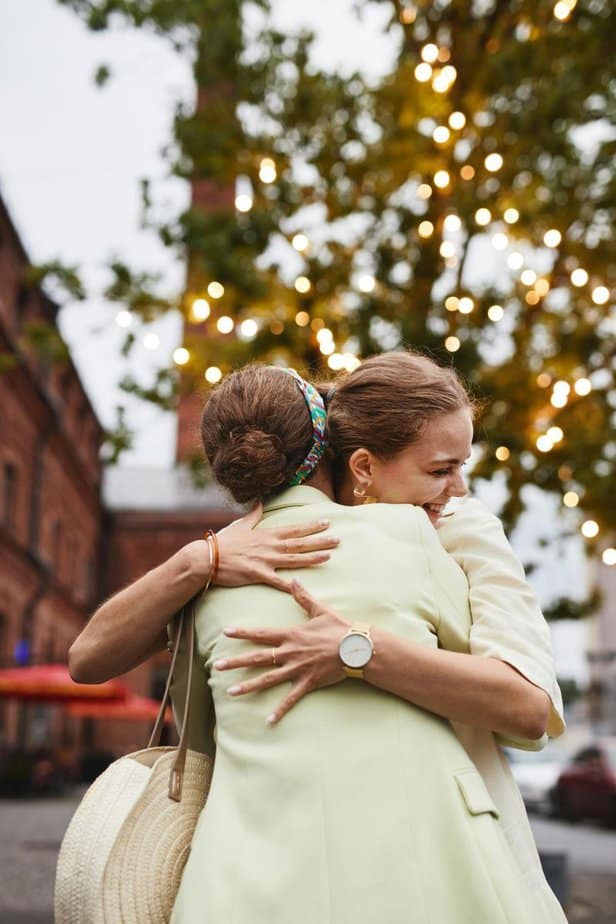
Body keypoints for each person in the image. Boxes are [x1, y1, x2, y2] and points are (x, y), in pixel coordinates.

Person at [69, 353, 566, 921]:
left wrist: (357, 650)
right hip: (425, 865)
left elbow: (527, 703)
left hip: (248, 881)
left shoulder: (240, 556)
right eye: (440, 469)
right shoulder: (254, 553)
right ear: (361, 466)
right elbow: (89, 658)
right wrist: (198, 559)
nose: (457, 489)